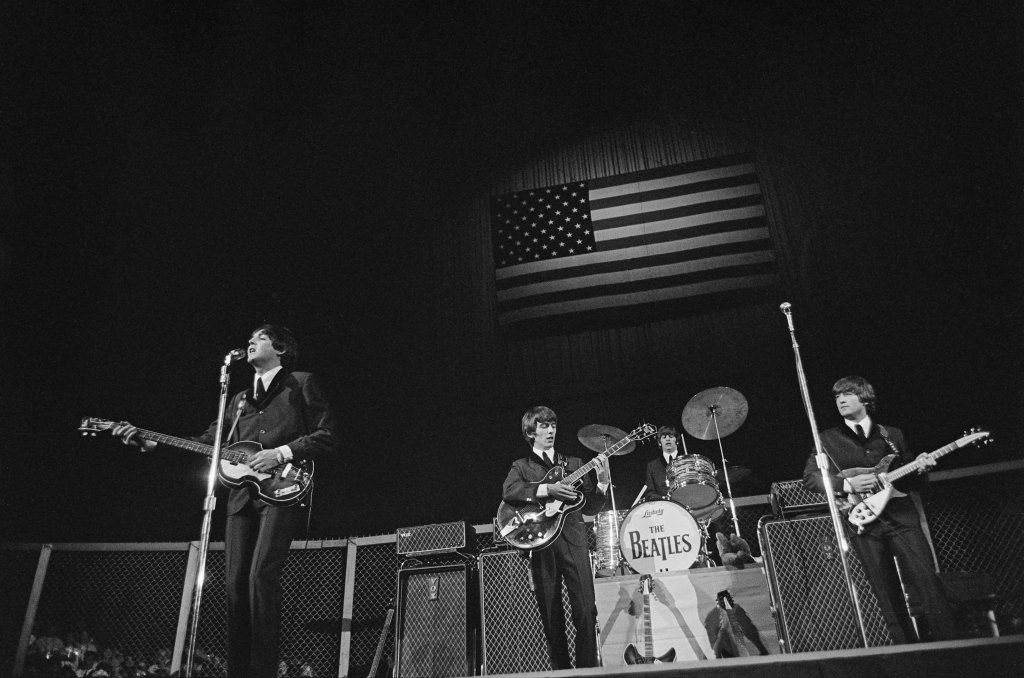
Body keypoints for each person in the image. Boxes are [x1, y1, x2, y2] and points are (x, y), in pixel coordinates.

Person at [115, 324, 339, 677]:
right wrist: (149, 440)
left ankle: (262, 671)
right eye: (250, 339)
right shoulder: (237, 400)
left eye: (260, 338)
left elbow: (326, 435)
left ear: (281, 349)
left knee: (260, 578)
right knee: (235, 582)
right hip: (239, 498)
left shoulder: (301, 382)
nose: (250, 342)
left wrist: (280, 454)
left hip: (282, 489)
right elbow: (208, 440)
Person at [803, 376, 956, 643]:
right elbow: (811, 479)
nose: (840, 399)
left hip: (900, 516)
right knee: (885, 591)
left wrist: (921, 467)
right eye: (837, 395)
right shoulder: (826, 439)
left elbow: (911, 480)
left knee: (926, 579)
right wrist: (847, 484)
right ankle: (905, 650)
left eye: (848, 393)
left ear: (865, 398)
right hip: (862, 522)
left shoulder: (891, 434)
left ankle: (949, 644)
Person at [501, 406, 609, 669]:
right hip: (540, 544)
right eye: (544, 426)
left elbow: (591, 508)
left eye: (553, 425)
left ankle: (587, 671)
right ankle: (561, 671)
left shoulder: (573, 464)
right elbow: (510, 492)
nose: (550, 430)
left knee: (586, 609)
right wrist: (548, 489)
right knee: (551, 615)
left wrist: (603, 483)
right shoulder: (521, 466)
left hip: (573, 541)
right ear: (531, 432)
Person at [642, 425, 680, 502]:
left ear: (677, 441)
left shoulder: (686, 461)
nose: (667, 439)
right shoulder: (652, 466)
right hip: (663, 507)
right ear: (659, 443)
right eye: (664, 437)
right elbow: (650, 493)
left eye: (671, 436)